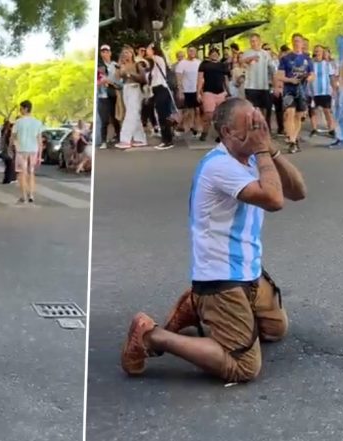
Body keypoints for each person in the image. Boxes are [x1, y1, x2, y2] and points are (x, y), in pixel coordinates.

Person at [120, 97, 307, 382]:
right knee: (244, 366)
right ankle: (152, 336)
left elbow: (298, 192)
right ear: (228, 133)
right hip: (221, 277)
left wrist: (270, 149)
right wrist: (262, 150)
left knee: (275, 330)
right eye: (251, 125)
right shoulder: (219, 166)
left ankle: (196, 306)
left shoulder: (255, 156)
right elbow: (274, 200)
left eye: (259, 122)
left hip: (250, 271)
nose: (259, 129)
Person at [277, 33, 314, 153]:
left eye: (299, 41)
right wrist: (290, 80)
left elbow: (312, 74)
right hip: (289, 90)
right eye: (294, 41)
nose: (296, 43)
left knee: (298, 116)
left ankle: (294, 138)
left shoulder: (307, 59)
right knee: (289, 113)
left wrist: (308, 78)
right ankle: (292, 141)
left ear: (302, 43)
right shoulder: (286, 59)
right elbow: (279, 76)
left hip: (302, 91)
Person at [115, 46, 147, 149]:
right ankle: (140, 138)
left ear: (132, 54)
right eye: (124, 53)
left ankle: (125, 139)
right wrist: (119, 66)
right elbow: (117, 77)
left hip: (135, 88)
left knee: (131, 114)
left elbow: (143, 78)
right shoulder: (122, 65)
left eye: (127, 52)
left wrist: (129, 74)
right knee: (133, 113)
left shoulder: (137, 64)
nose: (125, 55)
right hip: (126, 89)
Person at [12, 100, 43, 203]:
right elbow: (39, 140)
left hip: (21, 150)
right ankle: (31, 195)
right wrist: (40, 155)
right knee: (31, 172)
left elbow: (13, 136)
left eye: (21, 108)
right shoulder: (37, 122)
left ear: (25, 109)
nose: (20, 111)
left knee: (22, 173)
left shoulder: (18, 122)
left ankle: (23, 196)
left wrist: (10, 146)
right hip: (33, 150)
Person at [197, 47, 229, 142]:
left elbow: (225, 79)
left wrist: (228, 91)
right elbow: (200, 79)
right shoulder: (204, 65)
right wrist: (198, 92)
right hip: (208, 92)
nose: (214, 55)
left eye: (216, 53)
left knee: (221, 116)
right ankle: (205, 132)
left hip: (221, 92)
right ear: (209, 55)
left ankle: (221, 135)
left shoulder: (222, 65)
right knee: (209, 115)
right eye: (212, 53)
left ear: (218, 55)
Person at [174, 46, 202, 136]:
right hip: (186, 90)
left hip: (196, 90)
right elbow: (179, 78)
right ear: (187, 52)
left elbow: (201, 77)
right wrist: (180, 90)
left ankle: (195, 127)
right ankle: (181, 126)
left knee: (197, 110)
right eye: (190, 51)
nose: (192, 52)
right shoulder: (182, 63)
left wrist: (200, 90)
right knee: (187, 111)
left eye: (193, 50)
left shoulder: (199, 63)